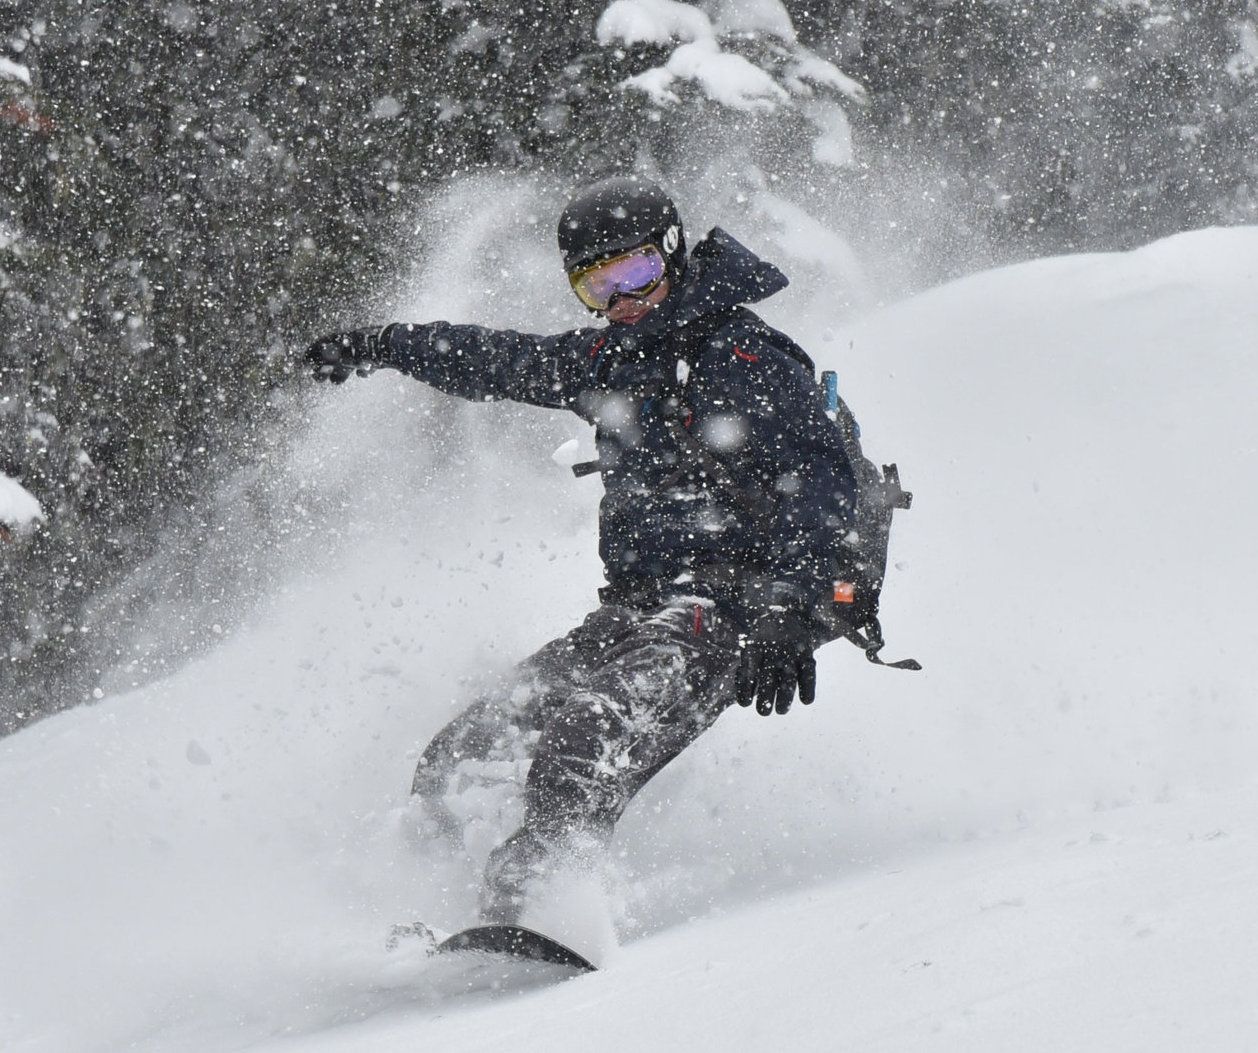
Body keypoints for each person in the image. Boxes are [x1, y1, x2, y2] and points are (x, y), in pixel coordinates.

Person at [305, 175, 859, 957]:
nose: (623, 298)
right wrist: (382, 345)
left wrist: (791, 613)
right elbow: (494, 358)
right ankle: (432, 915)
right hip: (634, 609)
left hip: (729, 609)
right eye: (597, 284)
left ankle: (543, 909)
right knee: (465, 747)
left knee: (584, 731)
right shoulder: (609, 359)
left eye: (634, 274)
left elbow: (822, 494)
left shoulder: (744, 358)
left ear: (672, 254)